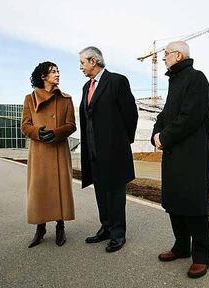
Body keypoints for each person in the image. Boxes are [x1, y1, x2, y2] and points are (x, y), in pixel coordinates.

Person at [151, 41, 209, 278]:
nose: (163, 58)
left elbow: (190, 117)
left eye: (166, 54)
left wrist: (164, 138)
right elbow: (166, 114)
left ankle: (201, 255)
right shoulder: (174, 81)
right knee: (175, 201)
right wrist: (155, 134)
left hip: (191, 154)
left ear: (178, 55)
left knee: (193, 204)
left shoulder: (196, 78)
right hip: (174, 153)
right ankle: (181, 246)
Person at [78, 46, 138, 252]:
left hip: (114, 151)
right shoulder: (87, 87)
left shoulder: (117, 81)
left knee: (115, 193)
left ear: (93, 61)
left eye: (82, 63)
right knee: (101, 192)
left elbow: (131, 115)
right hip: (93, 151)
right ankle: (106, 227)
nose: (81, 67)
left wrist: (122, 143)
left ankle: (118, 234)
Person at [21, 61, 77, 248]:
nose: (58, 74)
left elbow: (71, 125)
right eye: (53, 72)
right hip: (39, 152)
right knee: (40, 189)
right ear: (43, 76)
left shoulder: (66, 99)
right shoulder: (30, 99)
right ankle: (40, 228)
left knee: (60, 188)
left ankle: (60, 226)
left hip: (59, 150)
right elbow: (25, 126)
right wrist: (38, 132)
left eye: (58, 71)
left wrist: (57, 133)